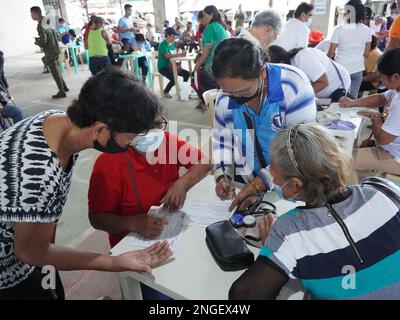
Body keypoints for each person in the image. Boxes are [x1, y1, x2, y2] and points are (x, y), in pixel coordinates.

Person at [0, 68, 172, 300]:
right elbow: (30, 252)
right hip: (8, 275)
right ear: (101, 129)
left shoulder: (56, 123)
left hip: (28, 251)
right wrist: (115, 262)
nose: (132, 144)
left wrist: (47, 263)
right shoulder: (38, 176)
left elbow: (42, 227)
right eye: (131, 137)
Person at [229, 123, 400, 300]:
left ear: (296, 184)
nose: (274, 183)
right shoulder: (382, 188)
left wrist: (272, 248)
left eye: (274, 177)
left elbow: (243, 295)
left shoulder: (290, 231)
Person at [88, 113, 212, 299]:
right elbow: (97, 218)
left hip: (172, 231)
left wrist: (182, 183)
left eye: (156, 125)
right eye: (142, 129)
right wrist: (132, 223)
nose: (152, 133)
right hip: (134, 246)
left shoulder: (168, 143)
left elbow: (204, 163)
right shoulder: (108, 164)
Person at [211, 38, 316, 211]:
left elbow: (299, 151)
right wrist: (223, 176)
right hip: (251, 184)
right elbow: (222, 143)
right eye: (229, 92)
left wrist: (259, 183)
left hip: (292, 185)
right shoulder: (224, 99)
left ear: (262, 73)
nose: (237, 99)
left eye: (244, 92)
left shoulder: (293, 86)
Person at [340, 49, 400, 184]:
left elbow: (383, 139)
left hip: (395, 157)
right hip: (392, 150)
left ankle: (353, 200)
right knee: (357, 150)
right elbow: (380, 98)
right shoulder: (396, 90)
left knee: (347, 159)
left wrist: (376, 117)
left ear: (395, 76)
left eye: (382, 77)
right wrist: (352, 103)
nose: (381, 81)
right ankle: (363, 185)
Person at [268, 45, 351, 100]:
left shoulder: (303, 58)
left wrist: (297, 97)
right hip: (323, 92)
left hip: (338, 85)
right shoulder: (289, 67)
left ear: (281, 62)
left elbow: (323, 83)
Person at [327, 0, 371, 99]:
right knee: (352, 101)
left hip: (341, 70)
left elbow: (330, 54)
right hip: (358, 70)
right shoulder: (367, 31)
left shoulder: (339, 30)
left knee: (338, 99)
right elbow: (366, 54)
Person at [30, 6, 68, 99]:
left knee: (54, 71)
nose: (31, 16)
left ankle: (61, 91)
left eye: (31, 14)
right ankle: (64, 87)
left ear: (36, 14)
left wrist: (38, 42)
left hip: (50, 51)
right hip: (56, 48)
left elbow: (44, 41)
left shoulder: (40, 26)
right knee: (57, 69)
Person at [157, 27, 190, 99]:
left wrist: (181, 54)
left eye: (174, 36)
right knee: (174, 79)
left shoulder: (172, 44)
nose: (174, 38)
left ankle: (184, 90)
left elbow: (175, 54)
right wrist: (179, 55)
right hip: (163, 67)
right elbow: (166, 56)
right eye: (172, 36)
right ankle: (165, 92)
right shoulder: (162, 44)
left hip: (173, 66)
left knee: (187, 74)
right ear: (167, 35)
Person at [0, 51, 23, 124]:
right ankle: (18, 133)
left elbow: (1, 76)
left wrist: (8, 93)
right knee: (17, 112)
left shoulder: (0, 56)